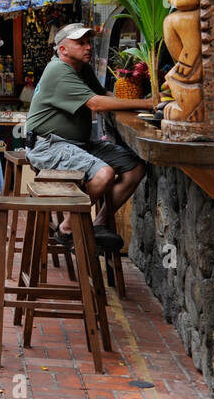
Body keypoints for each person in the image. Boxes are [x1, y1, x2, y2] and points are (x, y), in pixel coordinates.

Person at [25, 23, 156, 249]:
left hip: (78, 144)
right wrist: (149, 103)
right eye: (80, 43)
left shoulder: (81, 68)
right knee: (104, 174)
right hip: (48, 145)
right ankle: (67, 228)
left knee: (135, 167)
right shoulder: (58, 70)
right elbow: (95, 103)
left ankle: (99, 224)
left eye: (88, 42)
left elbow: (102, 94)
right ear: (63, 49)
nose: (88, 47)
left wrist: (136, 103)